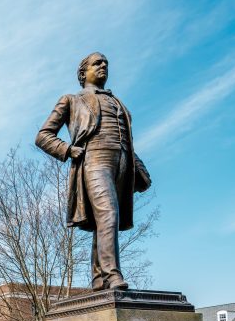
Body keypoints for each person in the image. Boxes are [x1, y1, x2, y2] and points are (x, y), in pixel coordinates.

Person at [35, 52, 151, 291]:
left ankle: (98, 277)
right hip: (93, 160)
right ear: (83, 72)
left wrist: (138, 168)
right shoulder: (71, 100)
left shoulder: (118, 102)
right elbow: (43, 136)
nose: (103, 66)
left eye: (106, 63)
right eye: (97, 63)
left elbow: (126, 140)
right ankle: (112, 274)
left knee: (106, 220)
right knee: (108, 213)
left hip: (122, 163)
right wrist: (68, 150)